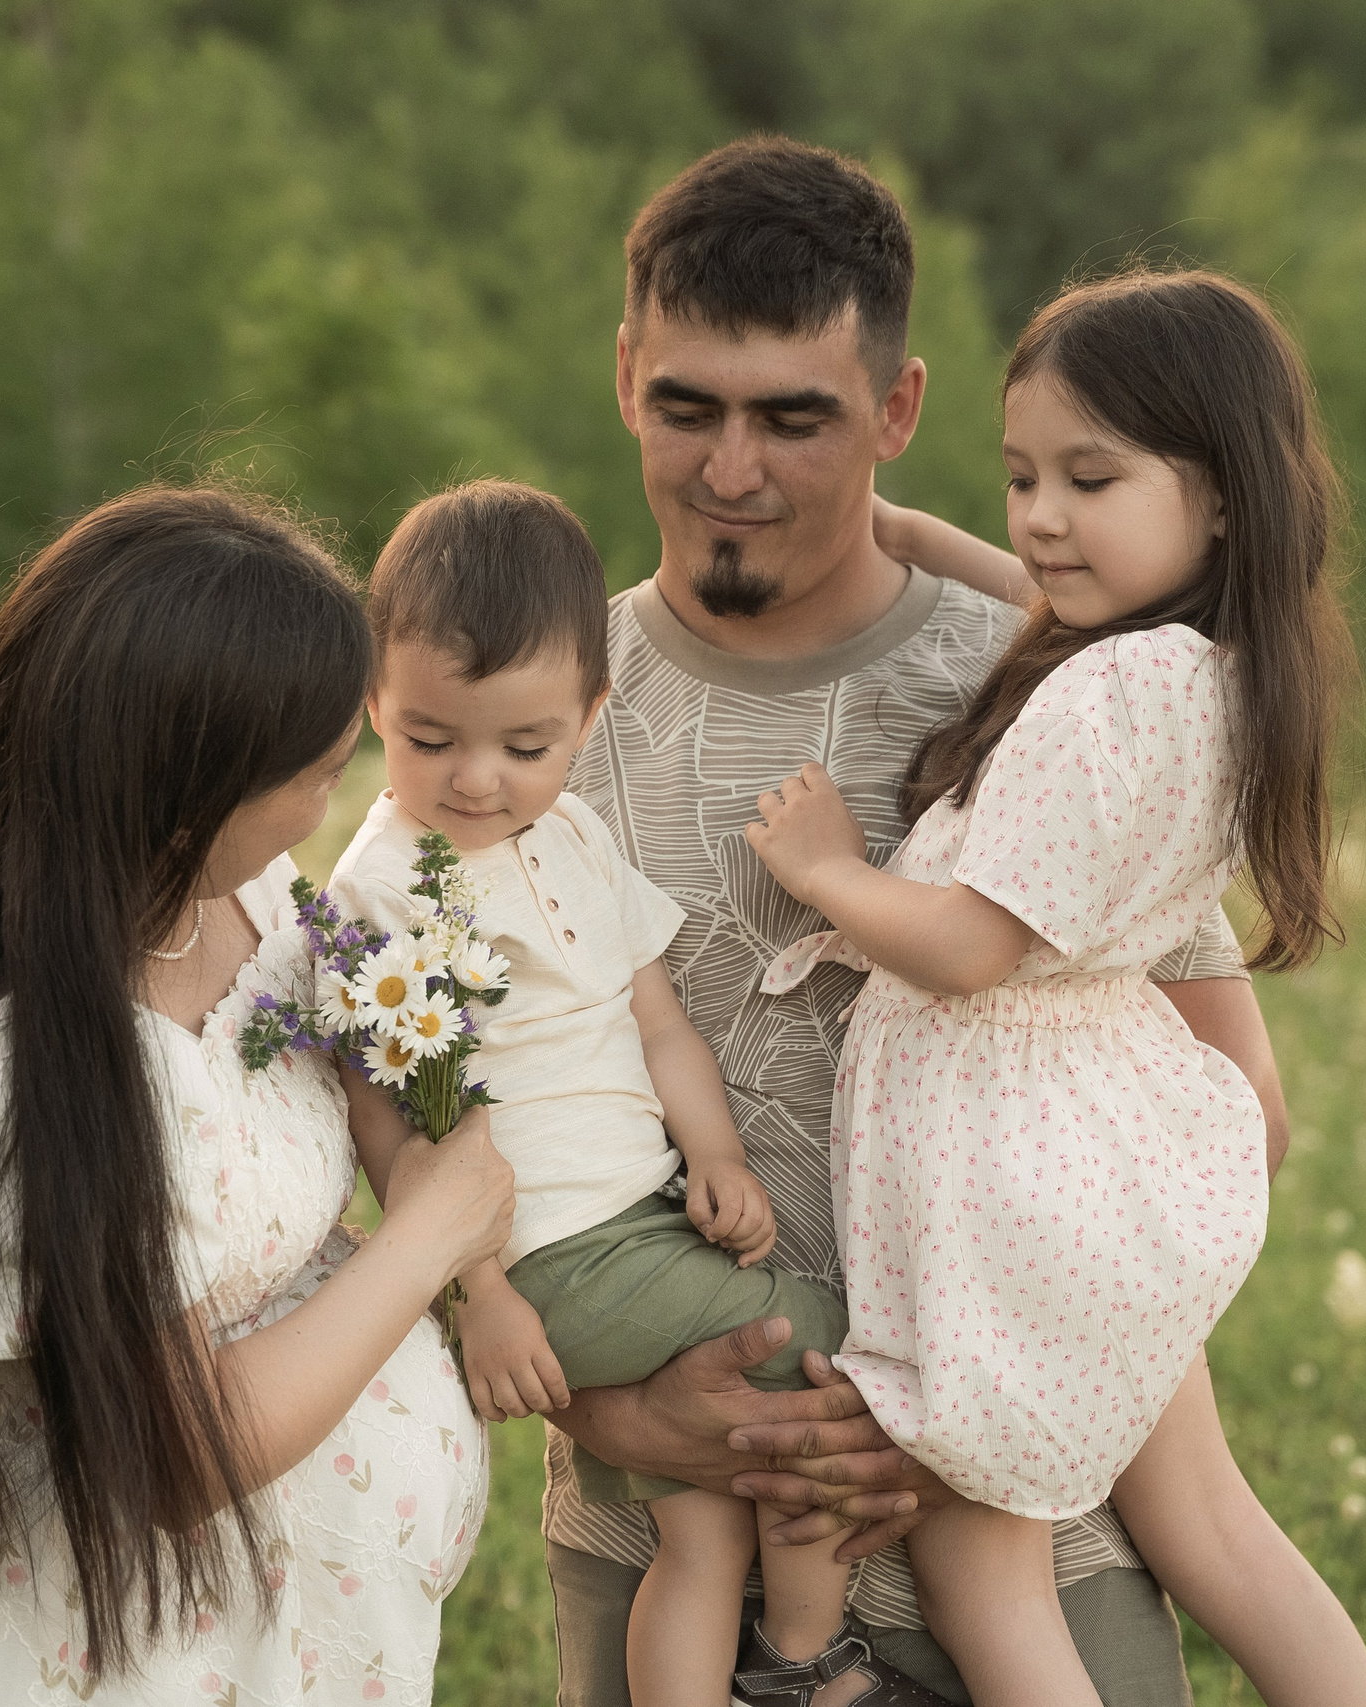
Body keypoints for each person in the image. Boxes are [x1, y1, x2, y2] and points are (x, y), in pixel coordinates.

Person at [543, 137, 1297, 1706]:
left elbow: (1239, 1107)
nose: (731, 469)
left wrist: (979, 1420)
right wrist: (618, 1410)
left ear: (896, 410)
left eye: (793, 417)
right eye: (687, 406)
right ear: (620, 377)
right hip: (666, 1552)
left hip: (1033, 1546)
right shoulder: (522, 728)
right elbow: (415, 1128)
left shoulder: (1053, 683)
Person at [747, 268, 1366, 1705]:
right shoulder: (1217, 669)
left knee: (987, 1577)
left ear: (1220, 496)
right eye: (1021, 475)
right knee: (1213, 1526)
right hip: (1106, 1159)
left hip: (1010, 1188)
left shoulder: (1106, 691)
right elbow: (1056, 600)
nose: (1041, 518)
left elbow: (972, 947)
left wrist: (828, 869)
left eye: (1088, 480)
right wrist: (904, 532)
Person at [0, 485, 514, 1705]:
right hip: (98, 1661)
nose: (336, 799)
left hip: (283, 1644)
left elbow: (346, 1088)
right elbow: (175, 1457)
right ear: (186, 795)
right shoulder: (29, 1067)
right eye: (316, 774)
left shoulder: (245, 893)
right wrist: (429, 1235)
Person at [329, 479, 946, 1705]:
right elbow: (387, 1122)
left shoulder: (575, 835)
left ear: (591, 714)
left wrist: (713, 1157)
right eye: (429, 739)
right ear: (374, 704)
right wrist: (480, 1295)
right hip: (544, 1255)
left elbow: (656, 1020)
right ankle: (809, 1666)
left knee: (701, 1535)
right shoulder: (380, 887)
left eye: (525, 746)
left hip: (640, 1227)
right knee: (830, 1355)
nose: (476, 781)